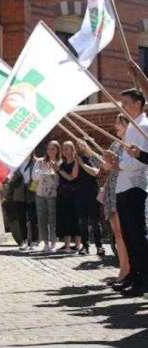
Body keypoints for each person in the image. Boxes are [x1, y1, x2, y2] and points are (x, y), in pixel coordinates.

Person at [103, 88, 148, 297]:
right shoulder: (132, 126)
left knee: (137, 235)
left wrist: (119, 164)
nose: (123, 107)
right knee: (128, 235)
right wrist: (116, 162)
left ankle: (142, 279)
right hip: (123, 186)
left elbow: (139, 161)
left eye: (126, 103)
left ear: (138, 104)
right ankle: (133, 274)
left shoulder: (144, 126)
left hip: (135, 186)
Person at [101, 114, 130, 285]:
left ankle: (130, 270)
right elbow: (105, 167)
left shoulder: (132, 143)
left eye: (119, 123)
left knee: (126, 233)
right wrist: (106, 159)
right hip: (112, 190)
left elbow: (128, 167)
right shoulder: (115, 143)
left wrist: (114, 161)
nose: (115, 126)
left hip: (124, 189)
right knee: (117, 234)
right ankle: (123, 268)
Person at [52, 141, 81, 253]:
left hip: (73, 194)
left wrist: (58, 170)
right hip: (62, 194)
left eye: (67, 148)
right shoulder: (62, 163)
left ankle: (77, 245)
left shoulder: (75, 162)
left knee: (74, 218)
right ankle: (67, 244)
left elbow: (72, 177)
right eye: (63, 149)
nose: (64, 151)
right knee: (64, 219)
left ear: (73, 149)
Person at [33, 140, 60, 252]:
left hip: (53, 194)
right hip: (40, 193)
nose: (50, 151)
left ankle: (53, 242)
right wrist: (44, 174)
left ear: (57, 150)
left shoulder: (60, 162)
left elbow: (60, 179)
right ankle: (45, 242)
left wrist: (46, 174)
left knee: (53, 218)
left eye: (53, 149)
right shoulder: (40, 161)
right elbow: (34, 176)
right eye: (49, 149)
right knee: (42, 218)